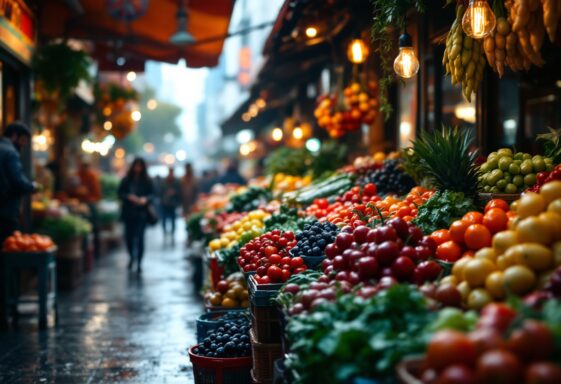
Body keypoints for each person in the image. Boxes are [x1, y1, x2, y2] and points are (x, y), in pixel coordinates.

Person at [0, 122, 36, 243]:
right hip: (6, 212)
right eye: (23, 140)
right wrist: (32, 186)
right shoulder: (11, 152)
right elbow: (17, 181)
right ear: (14, 136)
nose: (23, 145)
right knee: (8, 247)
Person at [118, 157, 154, 273]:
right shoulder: (126, 180)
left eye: (140, 166)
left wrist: (145, 199)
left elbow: (153, 194)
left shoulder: (147, 180)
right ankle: (131, 257)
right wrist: (129, 197)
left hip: (141, 213)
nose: (137, 168)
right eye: (136, 165)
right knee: (129, 237)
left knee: (140, 239)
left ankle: (139, 262)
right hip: (129, 213)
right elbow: (120, 193)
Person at [160, 167, 181, 237]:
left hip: (173, 204)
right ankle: (165, 231)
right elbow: (160, 191)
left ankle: (172, 232)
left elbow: (179, 191)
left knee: (173, 219)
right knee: (164, 219)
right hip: (165, 203)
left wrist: (174, 192)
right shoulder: (164, 181)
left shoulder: (176, 181)